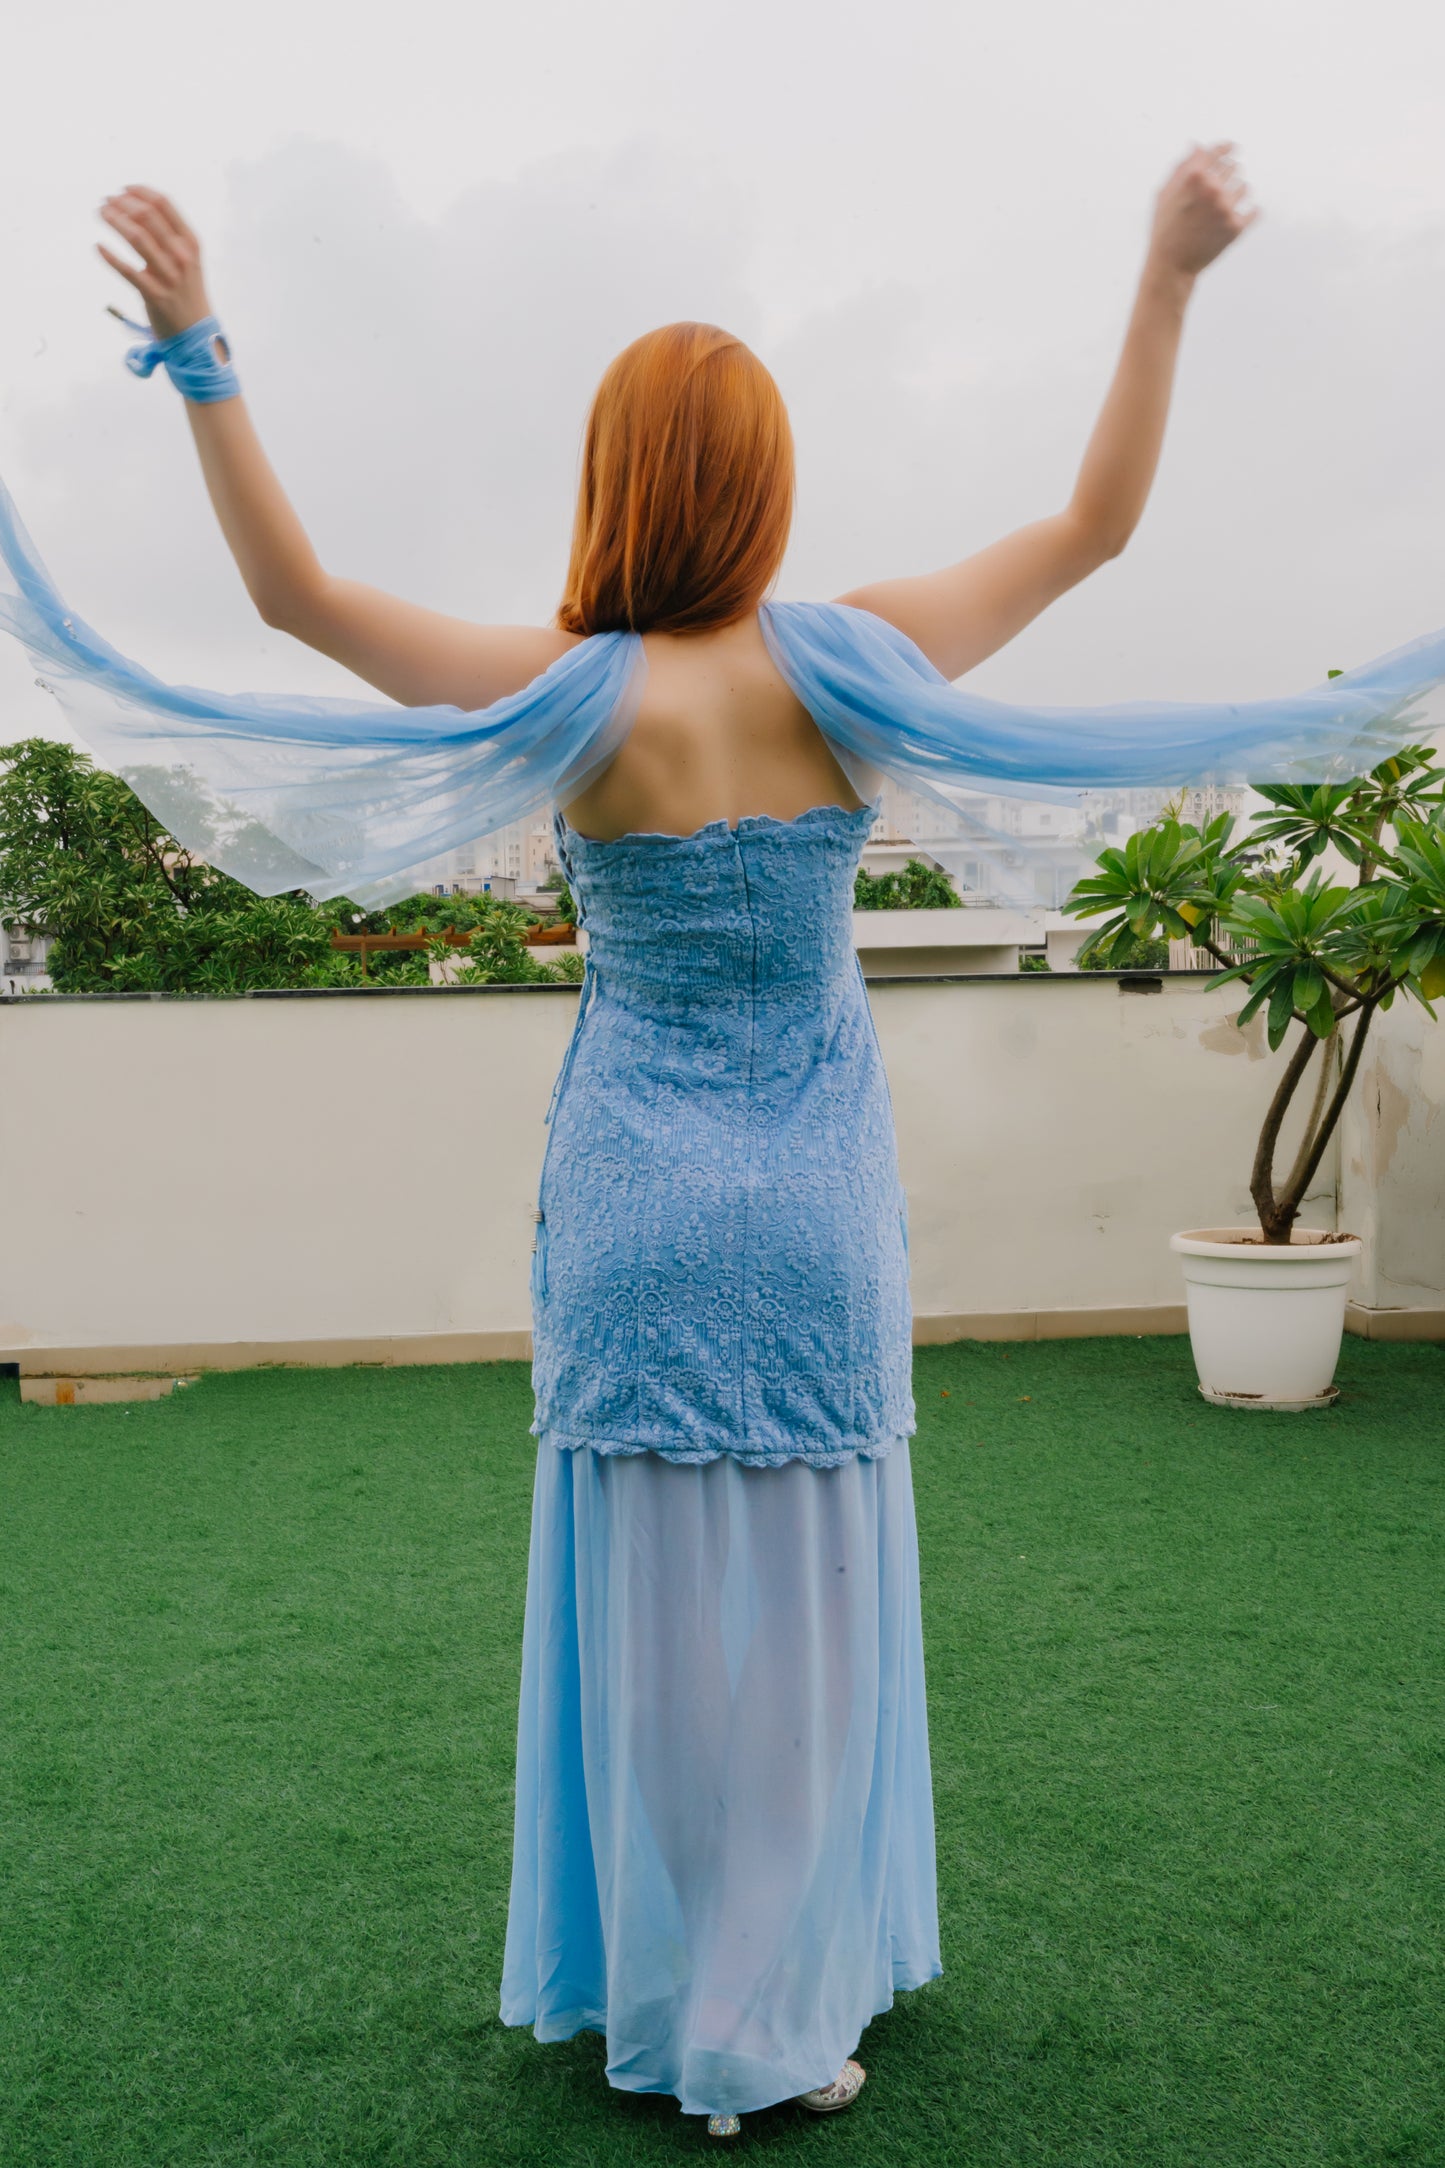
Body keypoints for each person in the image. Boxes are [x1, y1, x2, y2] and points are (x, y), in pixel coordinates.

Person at [4, 141, 1424, 2136]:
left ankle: (667, 1995)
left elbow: (293, 599)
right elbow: (1099, 524)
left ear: (613, 482)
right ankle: (786, 1994)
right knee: (818, 1626)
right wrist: (1169, 272)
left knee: (654, 1636)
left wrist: (201, 351)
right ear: (759, 485)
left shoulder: (581, 700)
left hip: (640, 1212)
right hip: (818, 1208)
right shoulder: (849, 662)